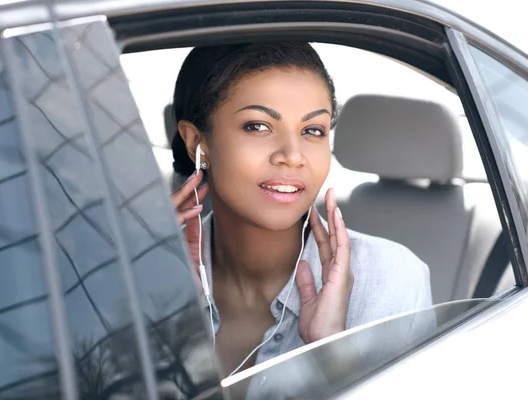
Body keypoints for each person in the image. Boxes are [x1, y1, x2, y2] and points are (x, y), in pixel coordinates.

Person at [170, 42, 433, 379]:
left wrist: (333, 357)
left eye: (312, 130)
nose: (293, 155)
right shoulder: (140, 280)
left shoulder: (393, 282)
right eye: (258, 126)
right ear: (197, 142)